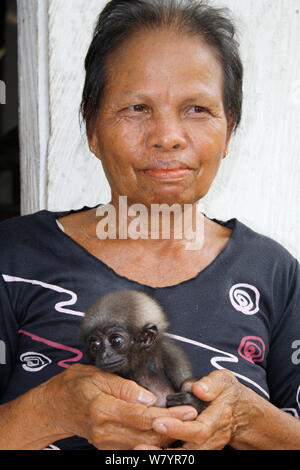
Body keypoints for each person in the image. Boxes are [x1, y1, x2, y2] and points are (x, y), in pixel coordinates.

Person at [0, 0, 300, 450]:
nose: (168, 135)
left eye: (197, 109)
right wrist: (51, 409)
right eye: (138, 108)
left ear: (229, 129)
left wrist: (248, 419)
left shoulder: (273, 273)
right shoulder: (12, 258)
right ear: (92, 128)